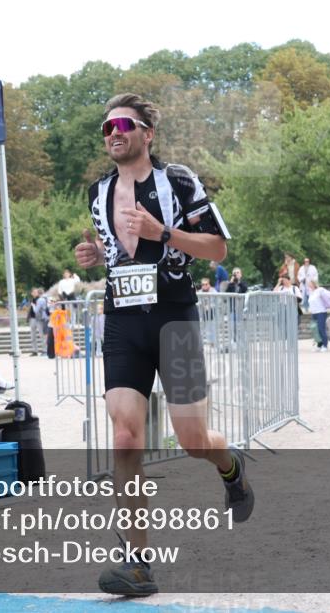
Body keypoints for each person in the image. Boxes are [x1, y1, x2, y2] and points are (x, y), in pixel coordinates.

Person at [74, 93, 252, 596]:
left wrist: (164, 232)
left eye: (124, 124)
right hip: (123, 324)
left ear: (147, 133)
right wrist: (92, 253)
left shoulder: (178, 181)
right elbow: (110, 248)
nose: (113, 132)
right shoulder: (97, 191)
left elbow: (216, 248)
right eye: (106, 126)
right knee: (125, 437)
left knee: (194, 440)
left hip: (175, 320)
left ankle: (230, 466)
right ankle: (137, 563)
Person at [307, 279, 330, 352]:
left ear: (313, 283)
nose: (308, 284)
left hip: (321, 312)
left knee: (321, 329)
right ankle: (319, 345)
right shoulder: (310, 293)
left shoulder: (320, 290)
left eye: (310, 283)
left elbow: (329, 294)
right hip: (314, 313)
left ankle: (325, 345)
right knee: (315, 330)